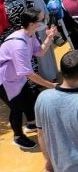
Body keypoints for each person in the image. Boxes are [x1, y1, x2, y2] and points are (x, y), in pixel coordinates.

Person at [0, 8, 58, 150]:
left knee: (29, 98)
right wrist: (51, 85)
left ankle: (32, 124)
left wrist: (49, 37)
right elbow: (28, 73)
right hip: (5, 80)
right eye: (42, 20)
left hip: (16, 77)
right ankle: (18, 137)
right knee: (16, 108)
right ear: (32, 24)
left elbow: (39, 52)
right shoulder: (18, 44)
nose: (45, 22)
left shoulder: (30, 35)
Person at [2, 0, 58, 81]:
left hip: (31, 22)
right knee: (42, 50)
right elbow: (34, 2)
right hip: (35, 21)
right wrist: (43, 15)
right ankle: (49, 77)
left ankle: (46, 77)